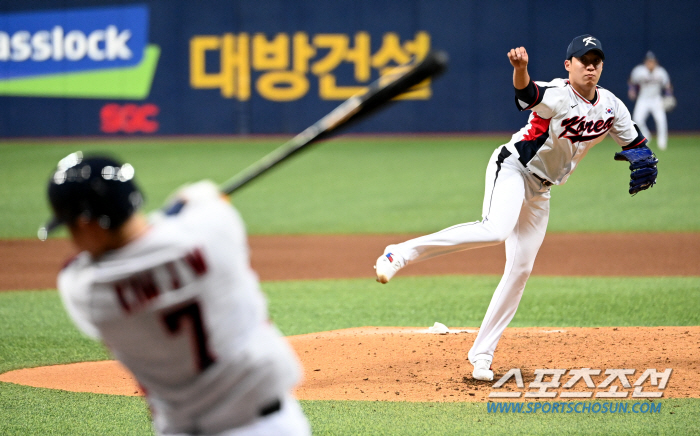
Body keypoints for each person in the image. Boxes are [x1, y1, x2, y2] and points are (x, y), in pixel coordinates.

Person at [374, 35, 658, 382]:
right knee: (495, 229)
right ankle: (399, 253)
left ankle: (482, 354)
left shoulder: (612, 106)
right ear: (568, 65)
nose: (591, 66)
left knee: (520, 269)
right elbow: (527, 95)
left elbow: (638, 146)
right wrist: (520, 70)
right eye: (583, 60)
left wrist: (643, 159)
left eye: (596, 60)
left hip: (542, 191)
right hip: (514, 169)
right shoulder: (558, 93)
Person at [39, 152, 311, 436]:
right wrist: (196, 202)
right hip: (272, 426)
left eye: (69, 226)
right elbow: (204, 199)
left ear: (87, 223)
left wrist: (177, 210)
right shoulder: (213, 231)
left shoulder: (85, 290)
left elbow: (148, 239)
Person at [628, 51, 674, 150]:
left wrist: (669, 95)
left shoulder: (661, 72)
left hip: (656, 99)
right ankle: (646, 136)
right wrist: (632, 90)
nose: (650, 63)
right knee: (637, 119)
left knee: (661, 121)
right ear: (645, 62)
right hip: (643, 99)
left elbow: (667, 85)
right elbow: (631, 81)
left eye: (652, 61)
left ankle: (662, 144)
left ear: (655, 62)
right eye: (648, 61)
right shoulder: (639, 71)